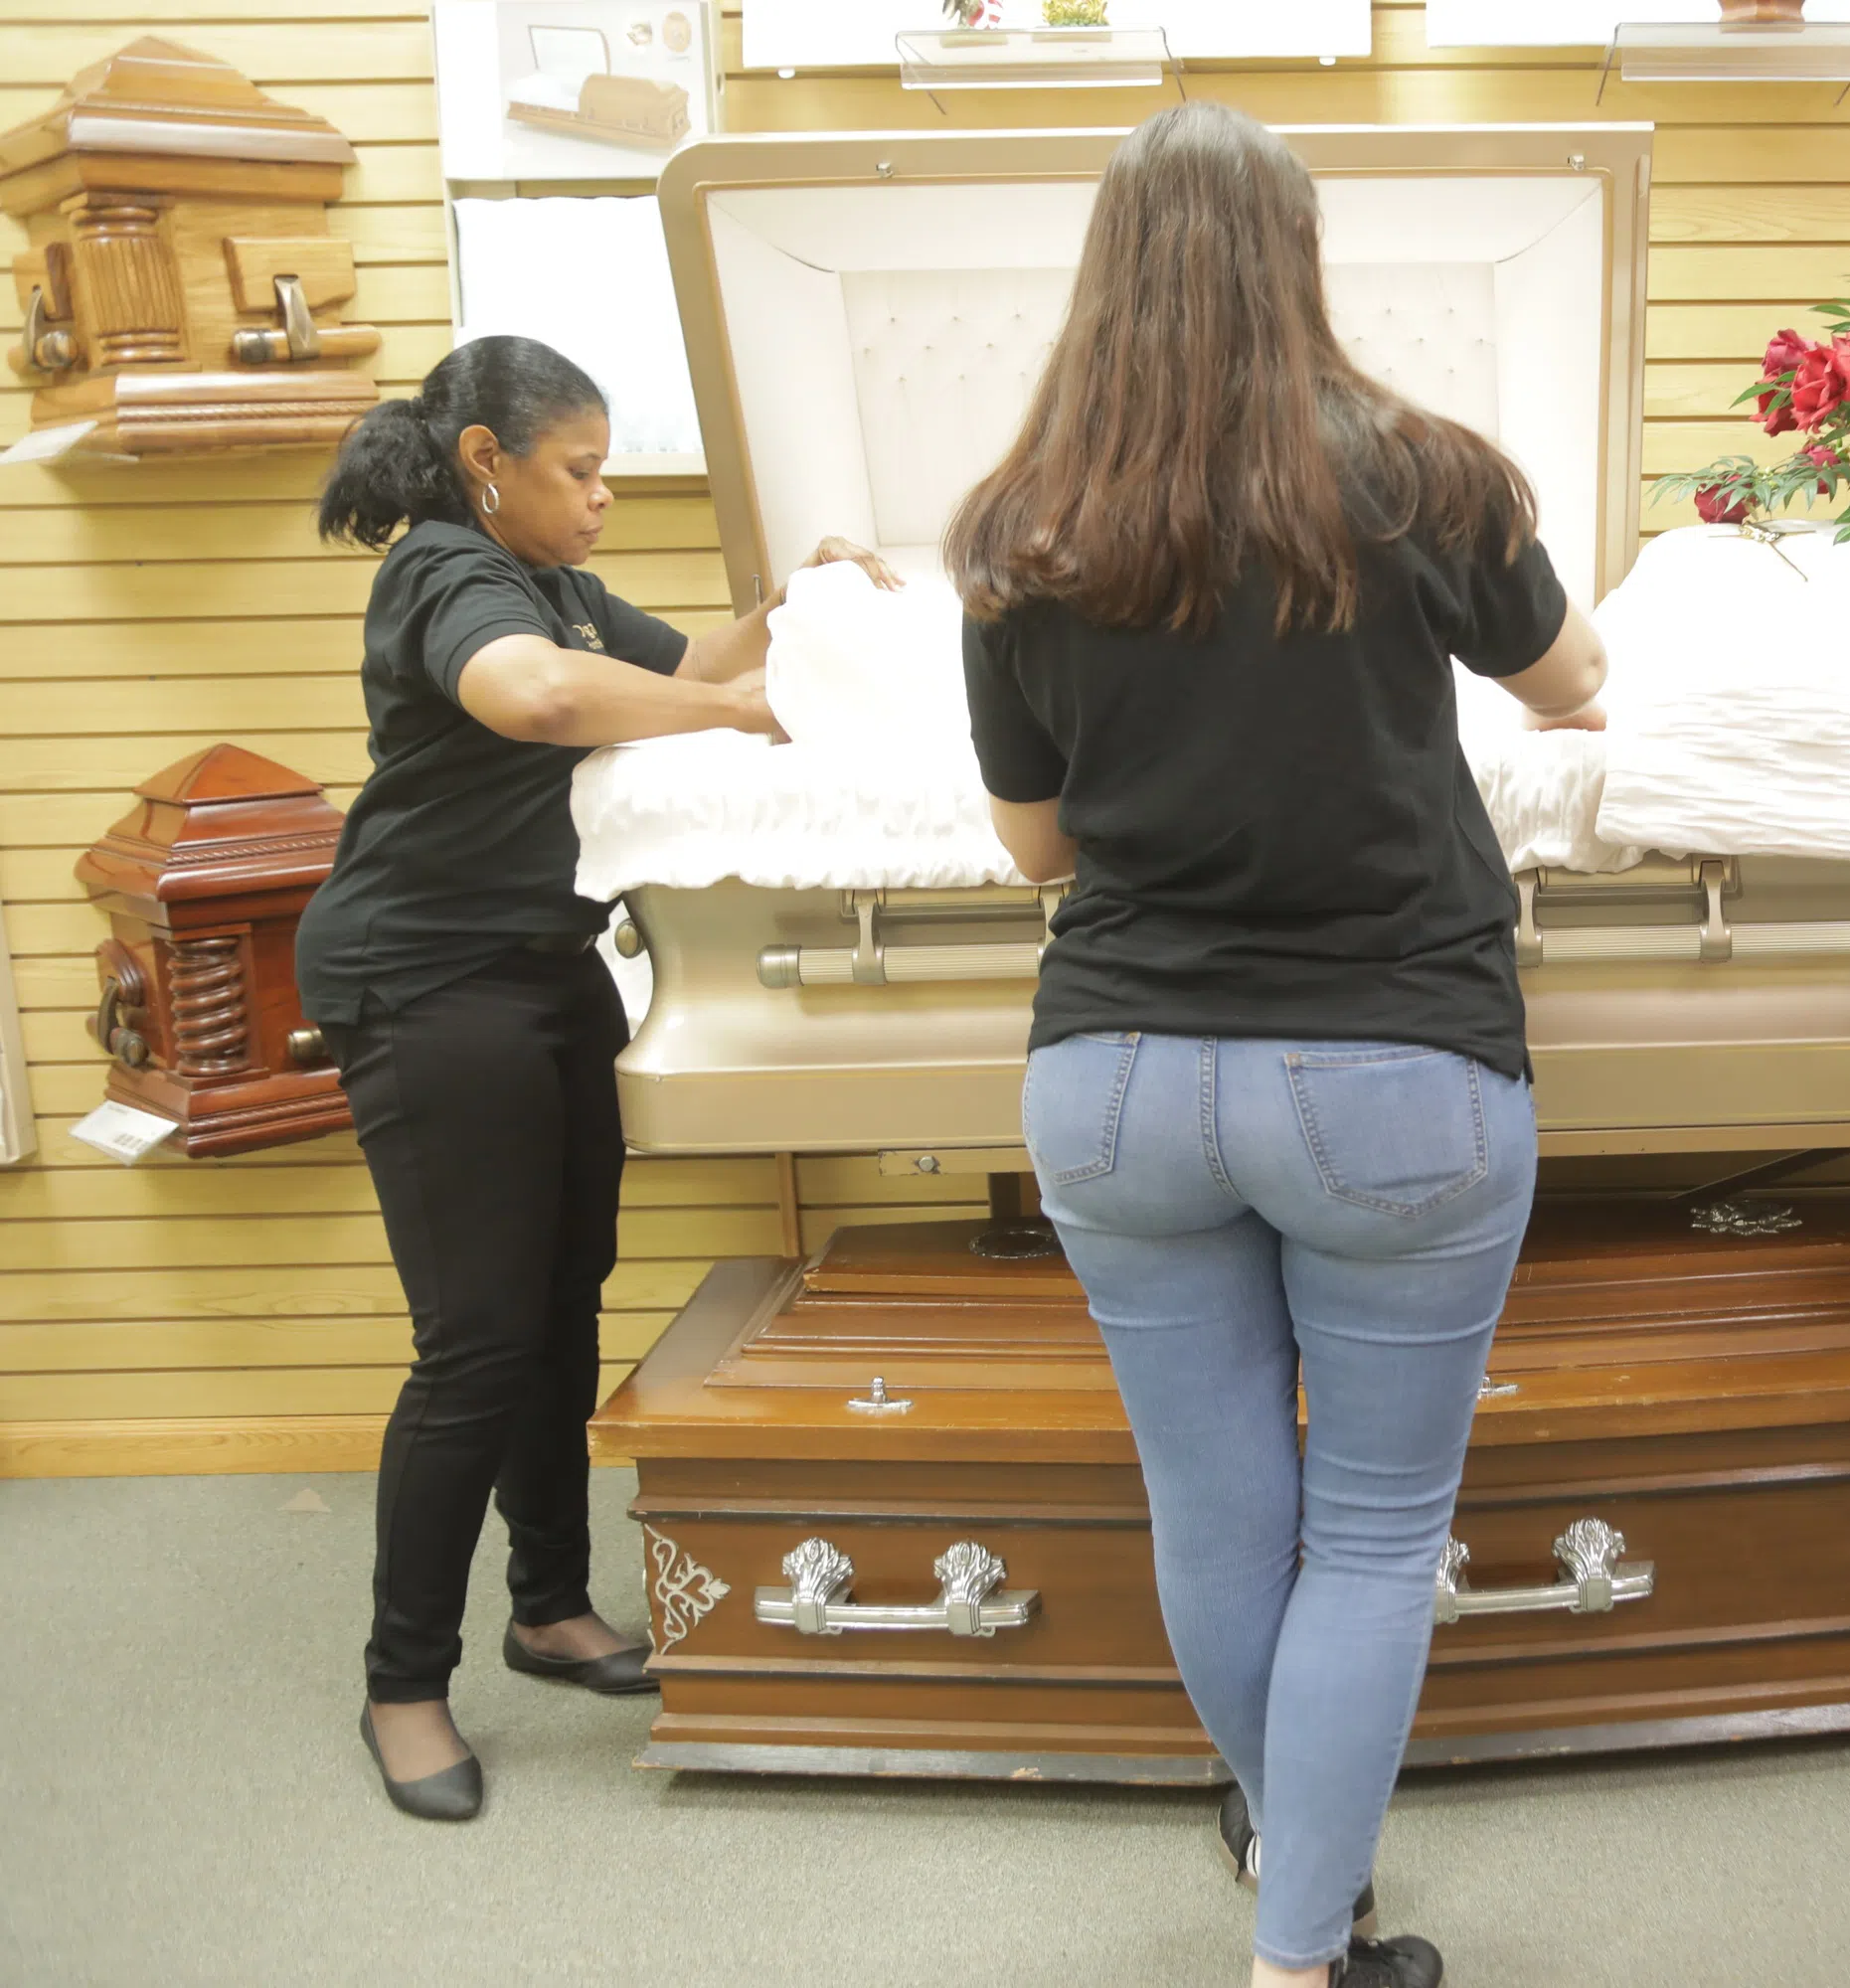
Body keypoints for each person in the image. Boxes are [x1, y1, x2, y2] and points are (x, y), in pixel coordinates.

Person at [950, 102, 1607, 1988]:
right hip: (1392, 1069)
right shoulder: (1428, 477)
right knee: (1377, 1540)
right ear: (1298, 259)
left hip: (1117, 1083)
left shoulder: (1019, 528)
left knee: (1221, 1519)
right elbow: (1567, 686)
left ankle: (1300, 1881)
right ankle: (1299, 1948)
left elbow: (1034, 844)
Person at [300, 336, 896, 1822]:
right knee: (476, 1342)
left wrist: (794, 612)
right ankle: (402, 1685)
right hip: (424, 982)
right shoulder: (446, 571)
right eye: (579, 469)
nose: (603, 496)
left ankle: (549, 1604)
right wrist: (747, 714)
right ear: (487, 463)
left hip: (541, 969)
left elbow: (684, 664)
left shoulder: (554, 581)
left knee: (564, 1295)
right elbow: (537, 701)